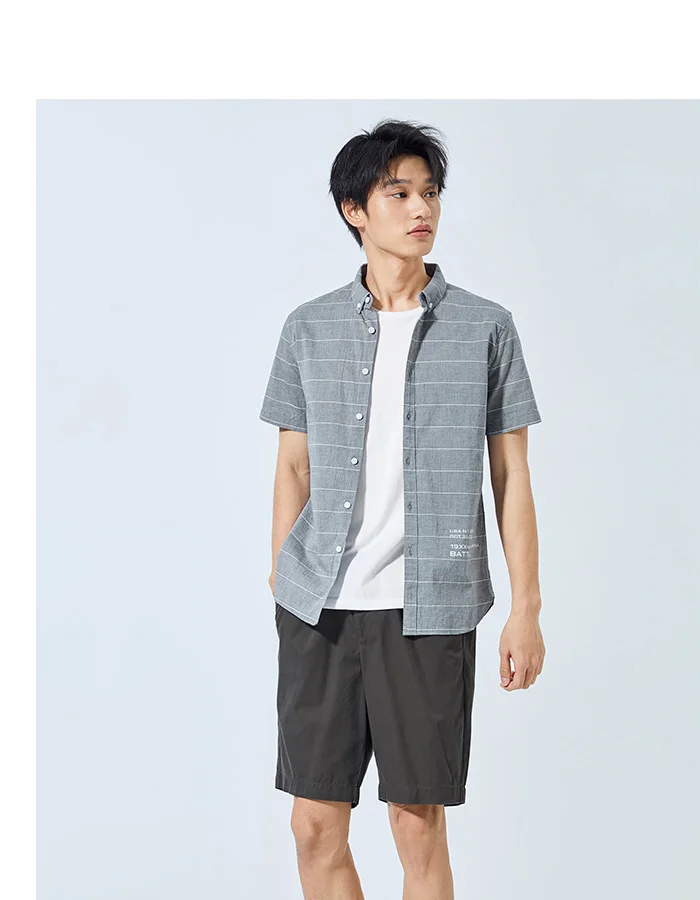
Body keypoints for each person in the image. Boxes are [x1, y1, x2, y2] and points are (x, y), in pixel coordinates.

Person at [259, 118, 546, 899]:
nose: (422, 209)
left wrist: (526, 610)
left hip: (430, 611)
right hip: (320, 608)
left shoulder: (486, 327)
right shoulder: (308, 328)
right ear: (355, 209)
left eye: (430, 192)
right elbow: (292, 464)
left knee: (416, 822)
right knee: (312, 823)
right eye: (399, 193)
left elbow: (512, 475)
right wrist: (283, 573)